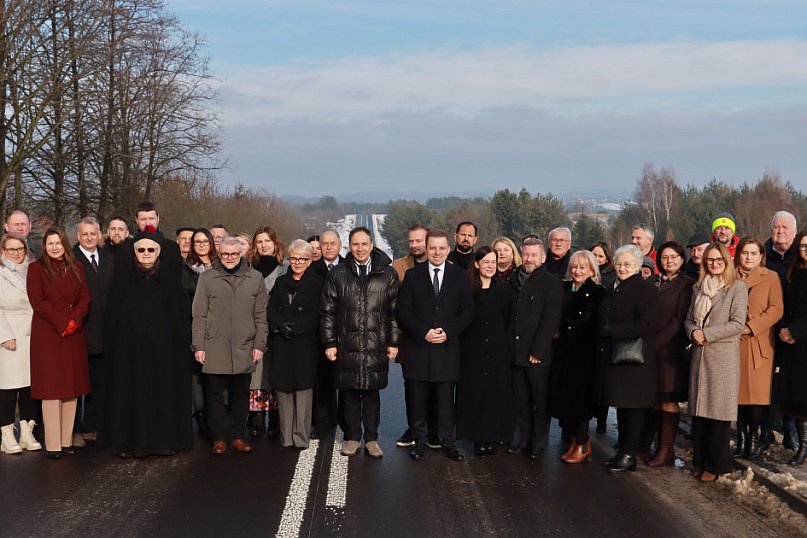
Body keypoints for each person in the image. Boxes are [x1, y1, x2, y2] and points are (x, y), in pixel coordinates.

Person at [101, 226, 194, 458]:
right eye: (141, 249)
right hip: (128, 353)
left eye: (150, 249)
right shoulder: (122, 281)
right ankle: (127, 441)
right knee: (128, 394)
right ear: (134, 253)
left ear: (158, 252)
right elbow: (112, 318)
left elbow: (180, 320)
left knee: (161, 394)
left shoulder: (171, 281)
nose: (145, 253)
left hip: (162, 354)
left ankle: (161, 441)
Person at [321, 226, 399, 459]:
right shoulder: (337, 274)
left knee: (372, 395)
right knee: (351, 395)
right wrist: (329, 343)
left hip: (376, 343)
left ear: (372, 245)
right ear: (349, 246)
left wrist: (393, 342)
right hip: (347, 344)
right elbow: (327, 312)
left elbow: (394, 313)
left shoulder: (388, 274)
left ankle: (372, 439)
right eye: (355, 244)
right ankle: (353, 438)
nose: (360, 249)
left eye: (364, 244)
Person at [397, 230, 474, 462]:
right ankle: (419, 443)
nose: (437, 252)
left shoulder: (460, 276)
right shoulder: (412, 275)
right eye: (433, 248)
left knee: (445, 403)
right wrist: (423, 332)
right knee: (418, 401)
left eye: (441, 248)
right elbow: (402, 311)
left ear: (448, 249)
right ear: (427, 249)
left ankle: (447, 443)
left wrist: (448, 332)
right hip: (419, 348)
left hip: (447, 349)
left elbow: (468, 310)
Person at [193, 236, 268, 455]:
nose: (230, 258)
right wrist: (199, 346)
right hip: (213, 346)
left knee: (240, 395)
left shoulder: (255, 278)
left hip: (244, 347)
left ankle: (236, 436)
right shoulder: (207, 279)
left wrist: (259, 345)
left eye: (234, 254)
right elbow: (199, 315)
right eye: (225, 254)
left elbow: (261, 316)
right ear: (219, 254)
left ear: (241, 254)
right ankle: (218, 439)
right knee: (214, 396)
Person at [685, 243, 748, 482]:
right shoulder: (698, 288)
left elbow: (737, 323)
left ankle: (717, 464)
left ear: (726, 262)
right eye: (710, 260)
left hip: (722, 357)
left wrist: (707, 334)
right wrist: (693, 333)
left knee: (718, 415)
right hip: (700, 357)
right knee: (700, 414)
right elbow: (690, 319)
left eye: (718, 260)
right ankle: (700, 461)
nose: (714, 264)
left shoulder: (736, 288)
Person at [27, 228, 91, 459]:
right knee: (52, 389)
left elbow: (85, 297)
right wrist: (63, 322)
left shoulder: (77, 267)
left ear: (65, 244)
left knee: (71, 388)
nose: (54, 247)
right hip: (49, 333)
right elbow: (38, 301)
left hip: (74, 333)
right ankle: (53, 444)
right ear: (45, 246)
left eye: (58, 243)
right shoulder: (36, 269)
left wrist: (75, 320)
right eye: (50, 243)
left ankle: (66, 440)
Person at [598, 244, 659, 473]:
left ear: (637, 266)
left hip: (636, 360)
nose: (622, 268)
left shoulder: (645, 290)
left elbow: (647, 324)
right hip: (619, 359)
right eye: (620, 263)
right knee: (622, 408)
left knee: (633, 409)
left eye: (628, 264)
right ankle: (622, 451)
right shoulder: (615, 287)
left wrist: (613, 331)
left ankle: (629, 454)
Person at [507, 237, 563, 460]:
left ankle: (539, 443)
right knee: (521, 401)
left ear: (543, 257)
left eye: (534, 255)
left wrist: (538, 352)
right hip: (515, 351)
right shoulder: (513, 279)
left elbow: (550, 321)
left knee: (539, 402)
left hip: (538, 355)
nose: (529, 259)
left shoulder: (551, 283)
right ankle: (523, 439)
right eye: (526, 254)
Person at [267, 240, 324, 449]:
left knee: (302, 390)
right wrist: (280, 325)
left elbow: (320, 313)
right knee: (283, 390)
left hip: (305, 343)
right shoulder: (281, 282)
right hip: (282, 342)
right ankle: (286, 436)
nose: (297, 262)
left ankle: (301, 436)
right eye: (294, 258)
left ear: (309, 261)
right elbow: (271, 309)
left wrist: (298, 326)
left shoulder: (318, 283)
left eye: (302, 259)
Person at [456, 247, 513, 456]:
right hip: (472, 349)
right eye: (486, 262)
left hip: (498, 349)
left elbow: (508, 318)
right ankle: (478, 439)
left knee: (495, 394)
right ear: (477, 264)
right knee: (475, 394)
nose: (490, 266)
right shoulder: (467, 289)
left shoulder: (504, 289)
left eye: (493, 262)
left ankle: (493, 436)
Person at [550, 250, 604, 464]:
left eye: (582, 267)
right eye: (574, 267)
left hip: (584, 354)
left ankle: (582, 442)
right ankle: (575, 441)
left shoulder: (597, 291)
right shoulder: (564, 288)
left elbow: (589, 320)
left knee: (580, 400)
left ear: (592, 269)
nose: (577, 271)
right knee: (566, 399)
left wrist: (563, 327)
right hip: (563, 353)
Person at [734, 236, 783, 459]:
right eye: (745, 253)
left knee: (755, 396)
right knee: (735, 394)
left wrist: (752, 326)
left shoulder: (770, 277)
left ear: (761, 256)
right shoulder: (729, 275)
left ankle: (753, 438)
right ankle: (741, 437)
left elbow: (776, 309)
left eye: (754, 253)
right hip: (732, 341)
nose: (749, 257)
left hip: (758, 342)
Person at [646, 241, 694, 467]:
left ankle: (667, 449)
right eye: (665, 257)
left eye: (674, 257)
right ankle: (658, 445)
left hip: (671, 351)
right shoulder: (652, 281)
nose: (669, 261)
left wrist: (654, 343)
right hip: (650, 349)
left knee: (669, 399)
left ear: (682, 259)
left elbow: (678, 320)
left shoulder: (687, 285)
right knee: (655, 399)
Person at [71, 217, 115, 446]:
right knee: (77, 385)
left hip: (105, 333)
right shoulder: (71, 259)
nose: (89, 238)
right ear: (78, 236)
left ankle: (92, 427)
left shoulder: (109, 259)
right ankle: (75, 429)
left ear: (100, 235)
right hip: (80, 333)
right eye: (84, 234)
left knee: (100, 384)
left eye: (93, 233)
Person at [390, 224, 431, 448]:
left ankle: (433, 429)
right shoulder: (398, 266)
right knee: (412, 386)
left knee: (435, 385)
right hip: (409, 337)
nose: (414, 245)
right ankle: (414, 428)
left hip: (437, 338)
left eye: (419, 241)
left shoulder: (445, 265)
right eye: (411, 241)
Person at [0, 233, 41, 454]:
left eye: (19, 249)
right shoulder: (1, 273)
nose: (16, 253)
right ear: (3, 251)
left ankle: (27, 430)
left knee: (29, 385)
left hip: (31, 334)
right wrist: (5, 335)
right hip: (9, 336)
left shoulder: (32, 271)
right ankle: (6, 434)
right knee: (7, 387)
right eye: (10, 249)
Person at [762, 211, 799, 452]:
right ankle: (765, 431)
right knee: (767, 383)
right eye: (776, 227)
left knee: (793, 381)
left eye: (785, 227)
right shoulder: (762, 256)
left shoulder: (802, 256)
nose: (780, 231)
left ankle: (791, 430)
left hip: (796, 331)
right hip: (768, 329)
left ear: (795, 232)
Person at [247, 226, 288, 437]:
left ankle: (275, 416)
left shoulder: (285, 268)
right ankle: (257, 416)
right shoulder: (248, 268)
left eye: (267, 241)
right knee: (257, 374)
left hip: (277, 329)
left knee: (275, 373)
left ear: (275, 243)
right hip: (254, 328)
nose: (264, 245)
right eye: (259, 241)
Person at [182, 228, 218, 439]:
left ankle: (218, 417)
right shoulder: (185, 269)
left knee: (216, 376)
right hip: (194, 327)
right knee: (197, 376)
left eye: (205, 241)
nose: (202, 244)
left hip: (218, 329)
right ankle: (201, 415)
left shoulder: (220, 266)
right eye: (197, 241)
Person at [777, 232, 807, 465]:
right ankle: (802, 447)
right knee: (797, 397)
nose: (806, 249)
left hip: (802, 339)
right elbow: (786, 306)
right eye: (804, 246)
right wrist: (783, 328)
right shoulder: (792, 274)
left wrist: (793, 331)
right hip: (792, 346)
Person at [309, 229, 342, 437]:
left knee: (347, 380)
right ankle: (323, 421)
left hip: (347, 330)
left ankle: (347, 423)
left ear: (339, 245)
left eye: (332, 243)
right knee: (322, 380)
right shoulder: (312, 269)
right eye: (324, 244)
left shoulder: (350, 266)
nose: (329, 247)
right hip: (320, 331)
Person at [116, 202, 182, 276]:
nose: (147, 223)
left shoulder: (172, 248)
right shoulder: (124, 248)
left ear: (158, 219)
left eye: (151, 218)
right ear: (137, 220)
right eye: (143, 219)